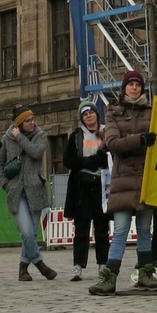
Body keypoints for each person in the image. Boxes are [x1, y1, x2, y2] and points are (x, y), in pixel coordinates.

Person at [90, 69, 157, 296]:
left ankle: (145, 273)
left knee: (144, 229)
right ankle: (109, 277)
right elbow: (112, 143)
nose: (134, 88)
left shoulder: (152, 112)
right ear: (124, 88)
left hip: (145, 177)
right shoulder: (113, 111)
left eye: (138, 84)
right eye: (131, 84)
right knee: (121, 229)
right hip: (124, 179)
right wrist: (141, 140)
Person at [0, 104, 56, 281]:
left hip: (35, 190)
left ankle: (23, 268)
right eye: (28, 120)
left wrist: (21, 138)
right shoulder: (7, 139)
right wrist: (5, 184)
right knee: (27, 232)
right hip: (16, 192)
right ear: (20, 123)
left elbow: (36, 153)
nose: (33, 122)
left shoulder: (41, 135)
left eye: (33, 119)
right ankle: (40, 264)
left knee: (32, 232)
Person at [63, 99, 109, 282]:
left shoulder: (106, 132)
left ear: (97, 114)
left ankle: (103, 265)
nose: (89, 115)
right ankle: (78, 266)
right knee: (81, 229)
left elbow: (111, 156)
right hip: (82, 186)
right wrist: (85, 162)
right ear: (82, 118)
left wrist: (98, 160)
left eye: (91, 112)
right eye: (85, 114)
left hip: (101, 184)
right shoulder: (76, 135)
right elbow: (68, 160)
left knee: (102, 228)